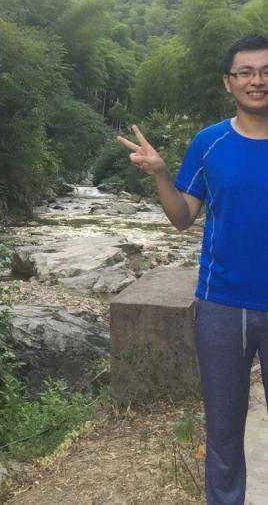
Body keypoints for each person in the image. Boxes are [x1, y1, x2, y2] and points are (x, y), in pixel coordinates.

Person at [117, 33, 268, 505]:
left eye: (266, 71)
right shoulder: (210, 143)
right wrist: (162, 174)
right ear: (228, 82)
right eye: (246, 72)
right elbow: (183, 217)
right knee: (223, 432)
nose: (257, 81)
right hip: (222, 305)